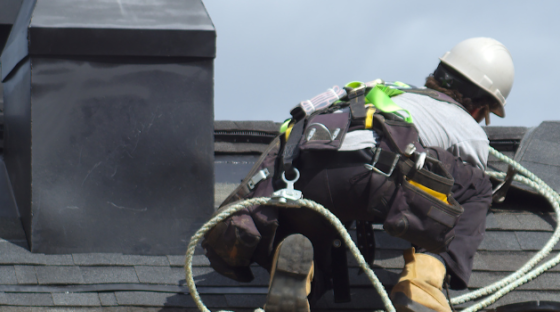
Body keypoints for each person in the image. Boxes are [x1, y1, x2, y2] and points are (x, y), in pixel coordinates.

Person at [204, 37, 514, 312]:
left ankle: (301, 276)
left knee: (312, 234)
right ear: (481, 106)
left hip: (306, 176)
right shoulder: (467, 128)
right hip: (375, 174)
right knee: (476, 187)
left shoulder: (391, 94)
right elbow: (457, 187)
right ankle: (422, 286)